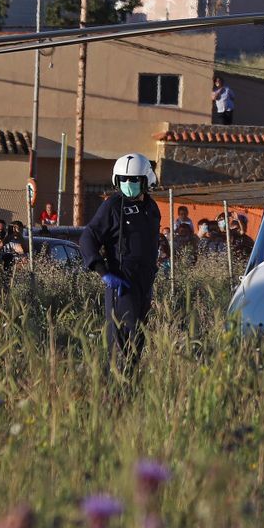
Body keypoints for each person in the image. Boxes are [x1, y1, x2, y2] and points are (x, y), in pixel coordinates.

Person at [82, 153, 162, 372]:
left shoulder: (152, 208)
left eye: (134, 180)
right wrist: (102, 270)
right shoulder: (112, 206)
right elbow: (89, 236)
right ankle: (114, 390)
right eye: (124, 180)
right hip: (122, 282)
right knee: (122, 340)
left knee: (139, 340)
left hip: (144, 282)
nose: (129, 184)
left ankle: (130, 388)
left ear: (146, 181)